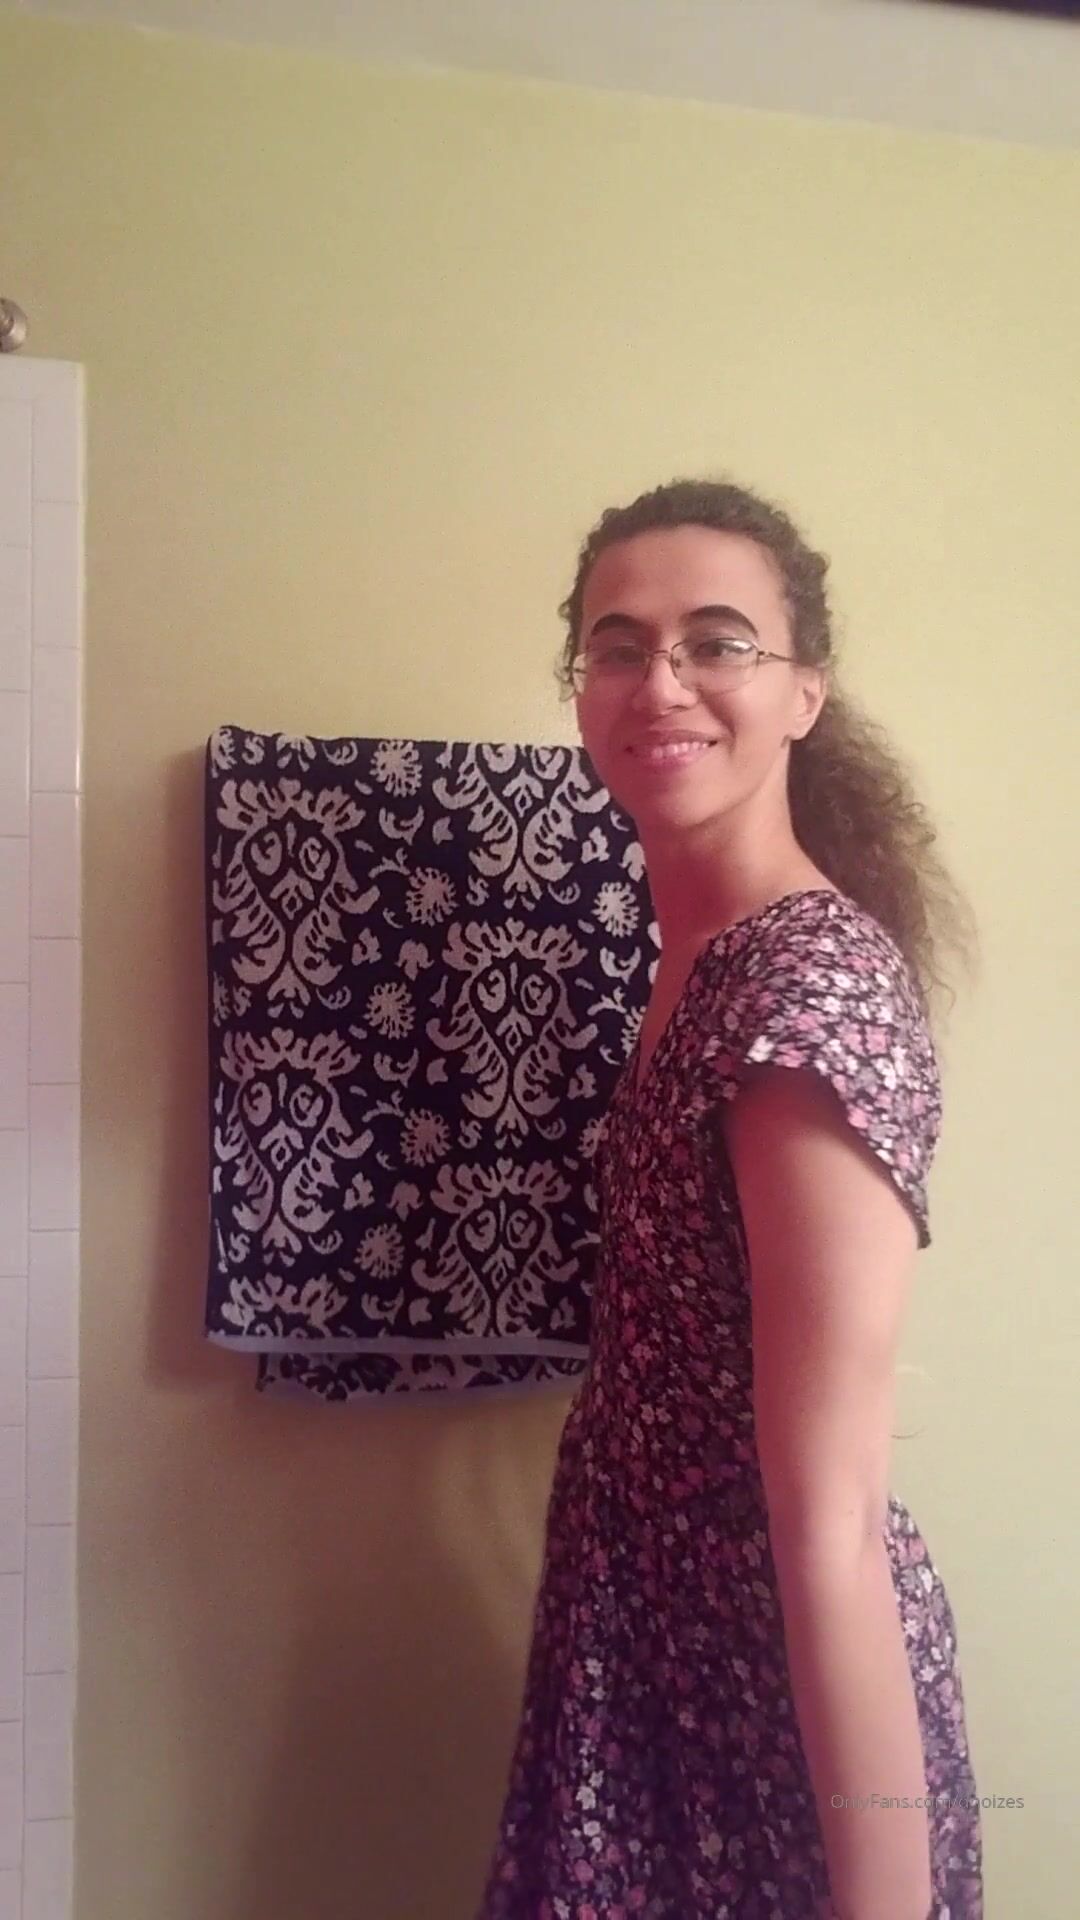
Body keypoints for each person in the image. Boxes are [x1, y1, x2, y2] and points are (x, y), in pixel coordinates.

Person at [476, 479, 983, 1920]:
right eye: (618, 646)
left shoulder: (803, 999)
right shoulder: (700, 958)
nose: (662, 683)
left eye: (718, 642)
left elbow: (831, 1521)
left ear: (804, 692)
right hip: (646, 1655)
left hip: (765, 1717)